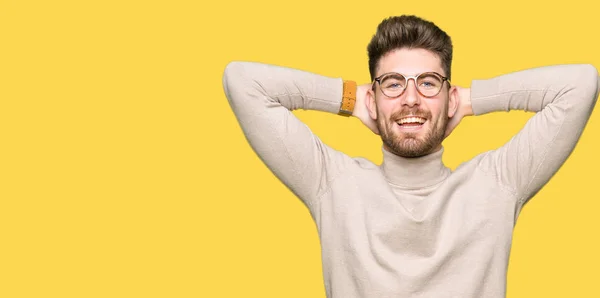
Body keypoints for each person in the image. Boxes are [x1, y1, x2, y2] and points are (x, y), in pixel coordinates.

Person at [221, 15, 599, 298]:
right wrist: (352, 102)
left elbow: (580, 84)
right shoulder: (332, 183)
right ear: (374, 97)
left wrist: (467, 101)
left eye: (429, 83)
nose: (412, 98)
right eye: (393, 83)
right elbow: (242, 80)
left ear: (449, 96)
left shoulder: (497, 182)